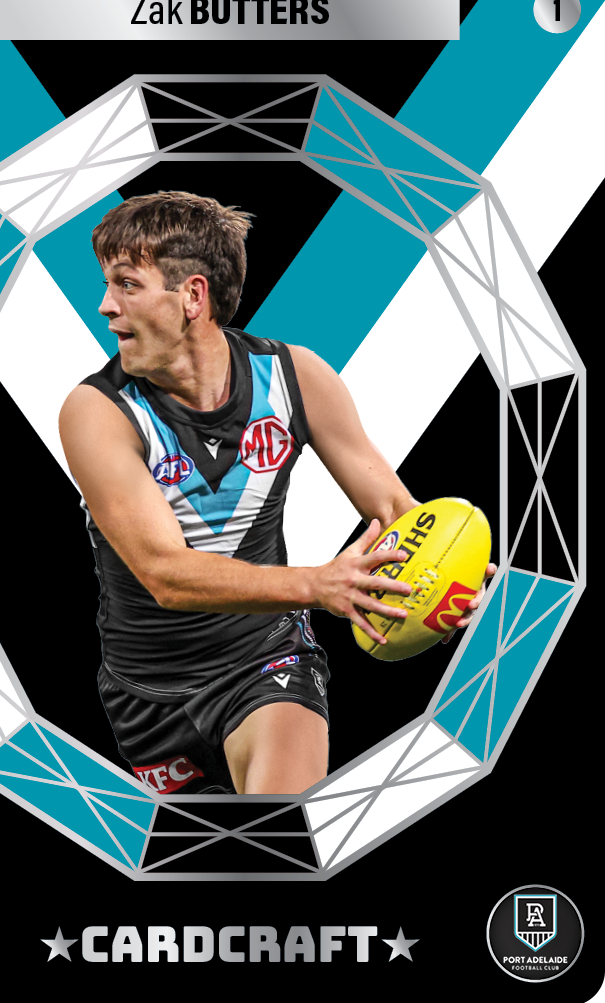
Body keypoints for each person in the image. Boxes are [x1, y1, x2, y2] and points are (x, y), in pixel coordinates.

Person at [59, 191, 493, 797]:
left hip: (267, 656)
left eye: (127, 284)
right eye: (108, 285)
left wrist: (445, 581)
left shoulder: (296, 377)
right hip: (146, 693)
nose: (106, 306)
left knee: (279, 824)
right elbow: (164, 574)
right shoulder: (97, 412)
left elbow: (397, 513)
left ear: (192, 296)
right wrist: (318, 584)